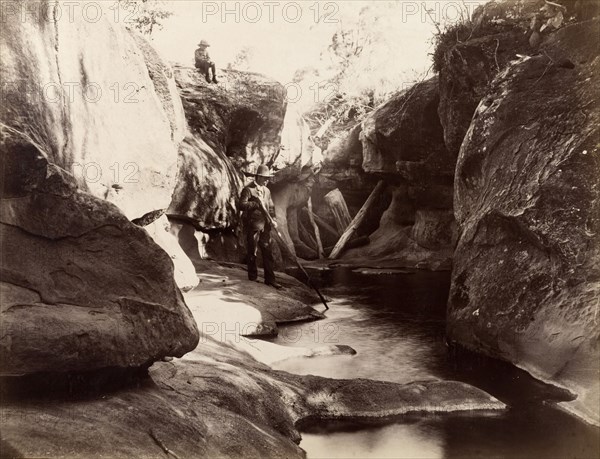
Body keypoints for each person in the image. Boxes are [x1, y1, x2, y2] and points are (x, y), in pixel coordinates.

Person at [239, 164, 282, 289]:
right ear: (257, 177)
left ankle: (270, 279)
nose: (266, 180)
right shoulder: (248, 189)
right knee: (253, 251)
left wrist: (273, 219)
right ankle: (252, 277)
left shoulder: (267, 191)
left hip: (266, 226)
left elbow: (271, 207)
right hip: (253, 225)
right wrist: (255, 203)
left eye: (267, 178)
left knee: (267, 251)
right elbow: (241, 205)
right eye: (264, 177)